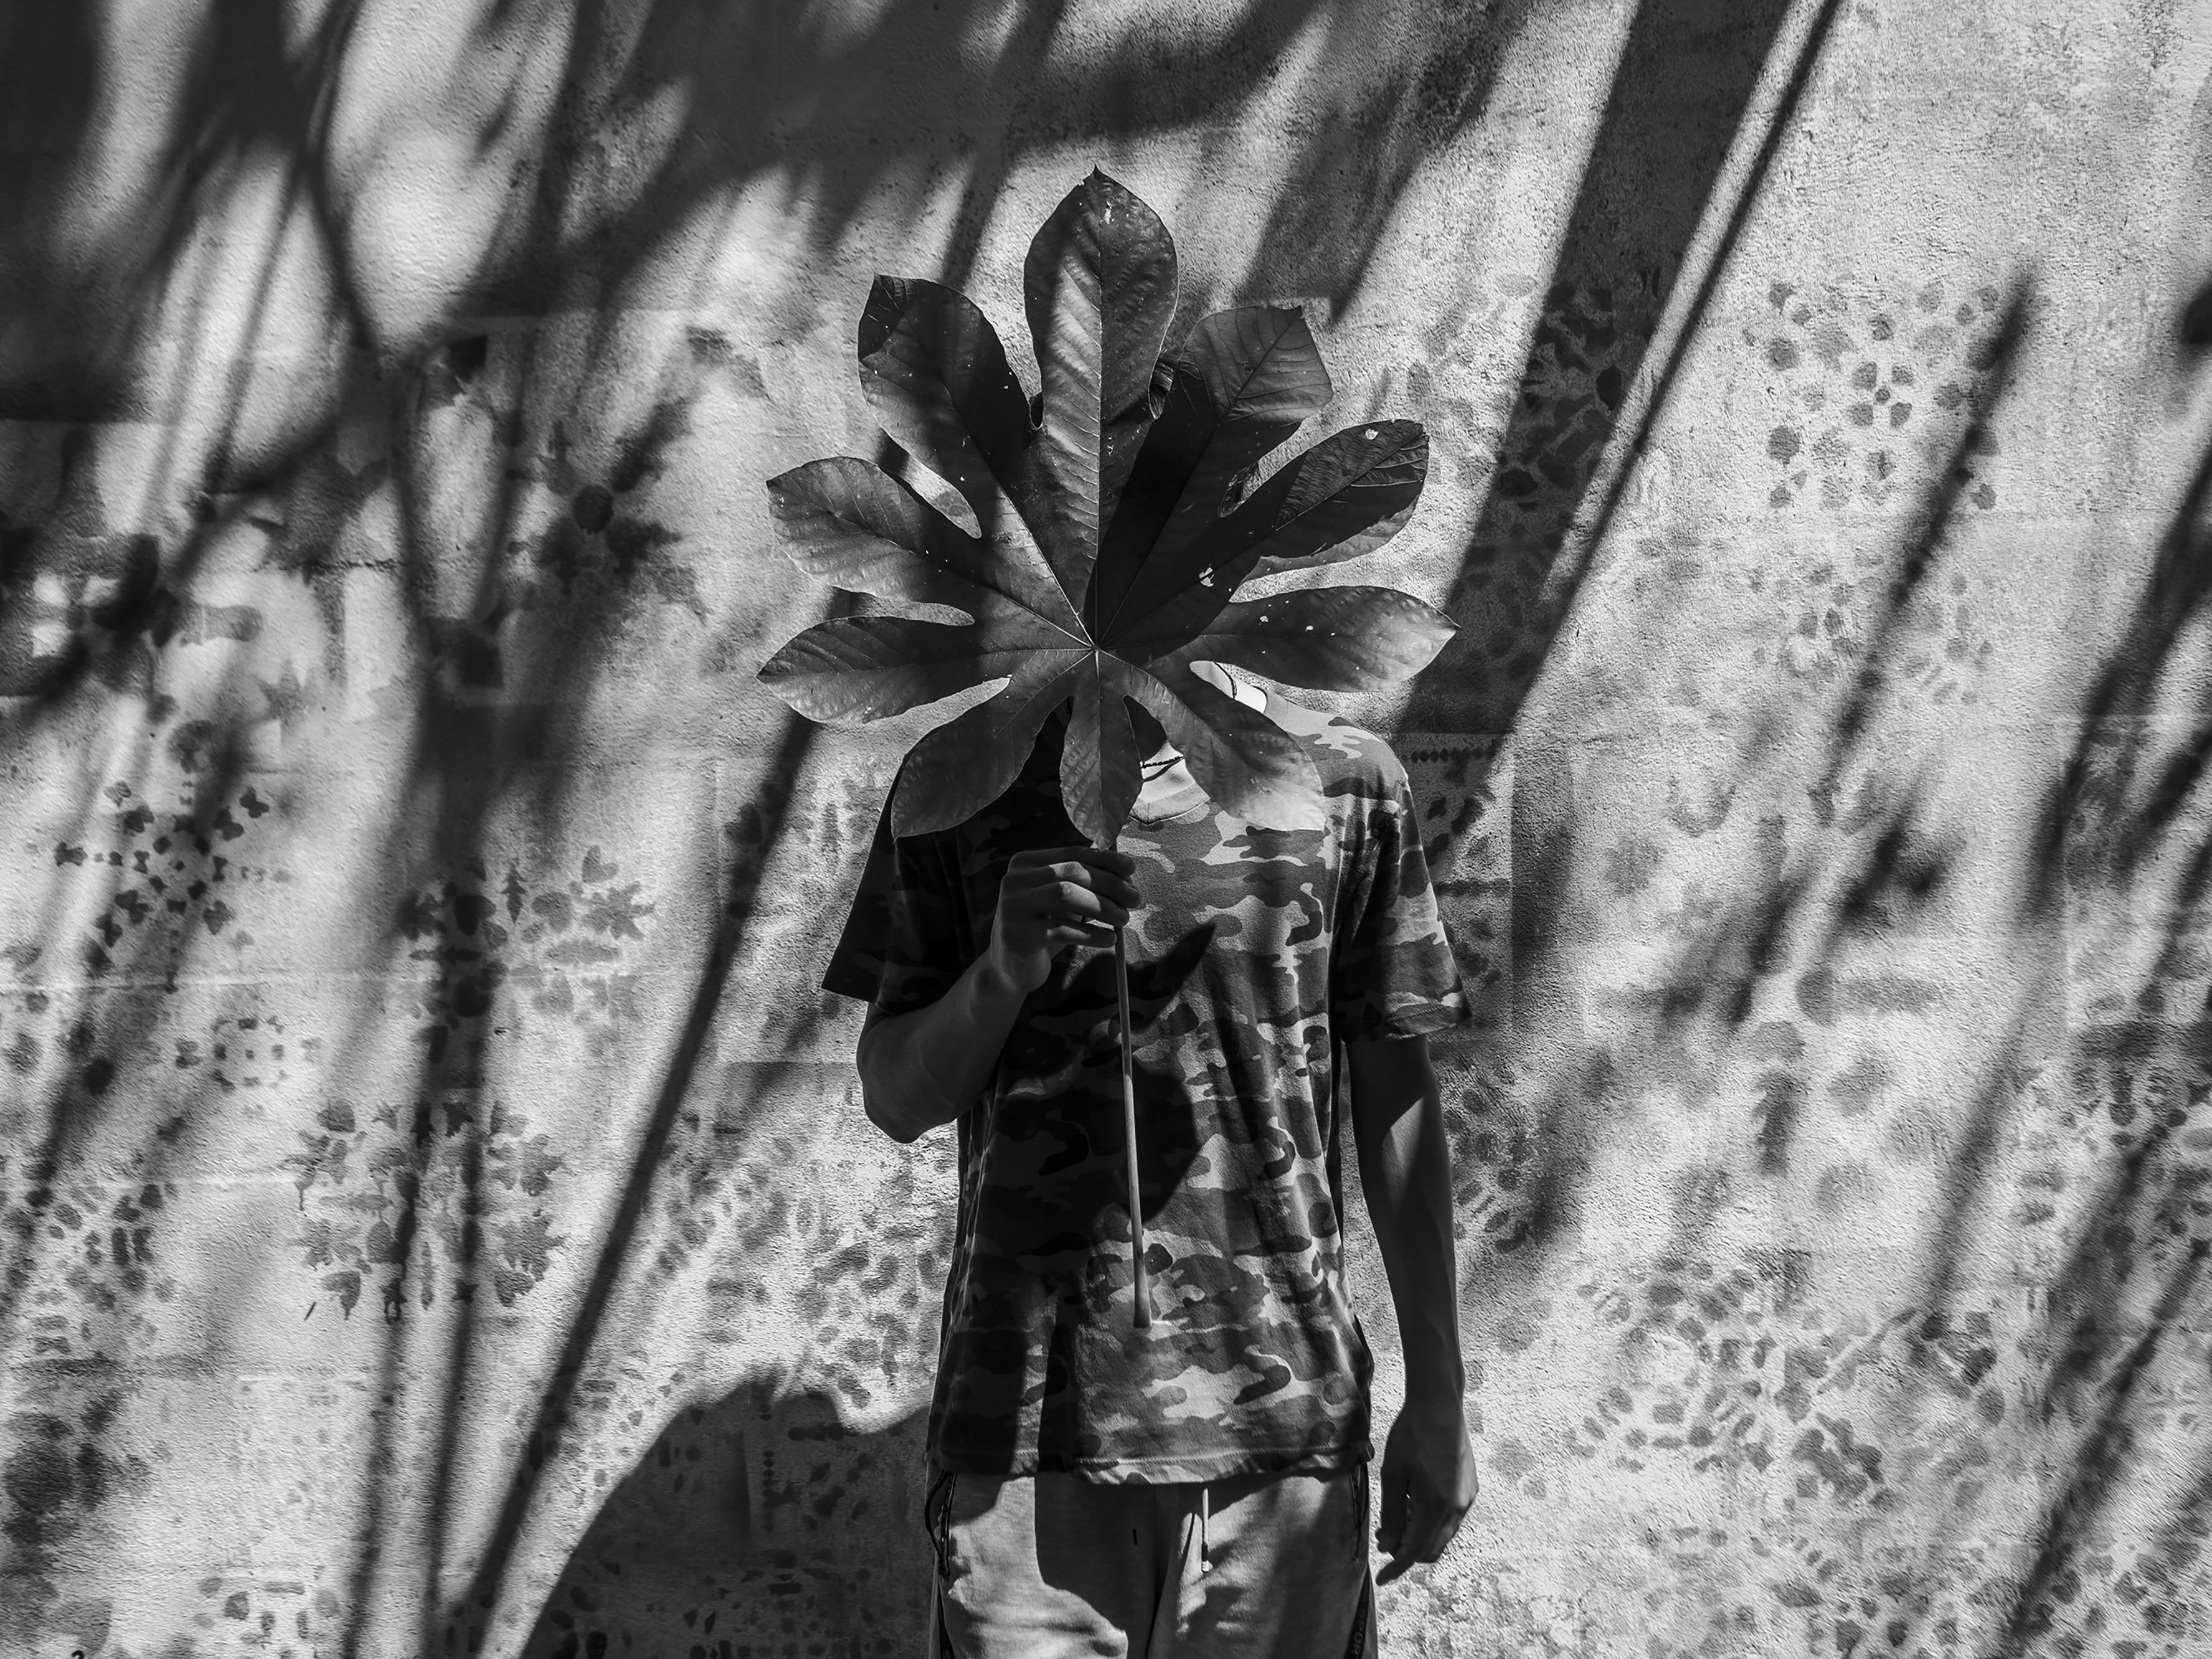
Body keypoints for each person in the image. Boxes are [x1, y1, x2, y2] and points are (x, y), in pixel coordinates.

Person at [821, 678, 1479, 1659]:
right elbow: (897, 1096)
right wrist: (999, 975)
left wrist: (1440, 1395)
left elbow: (1399, 1097)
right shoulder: (961, 778)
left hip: (1281, 1440)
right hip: (1027, 1446)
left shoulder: (1341, 781)